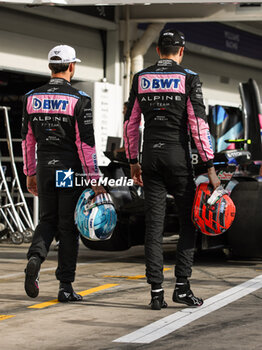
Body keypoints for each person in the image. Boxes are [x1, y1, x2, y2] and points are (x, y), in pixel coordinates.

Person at [124, 29, 220, 310]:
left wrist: (133, 161)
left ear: (157, 51)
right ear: (181, 51)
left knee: (153, 227)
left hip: (150, 158)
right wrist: (209, 166)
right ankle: (182, 287)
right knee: (189, 221)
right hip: (178, 159)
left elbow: (131, 124)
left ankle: (156, 293)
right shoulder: (189, 78)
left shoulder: (141, 78)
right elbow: (198, 126)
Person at [22, 45, 105, 302]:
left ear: (50, 67)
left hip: (45, 167)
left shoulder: (30, 97)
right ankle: (65, 287)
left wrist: (30, 173)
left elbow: (27, 141)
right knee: (68, 228)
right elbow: (85, 144)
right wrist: (94, 180)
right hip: (69, 170)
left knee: (47, 220)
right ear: (72, 67)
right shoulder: (80, 99)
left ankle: (35, 258)